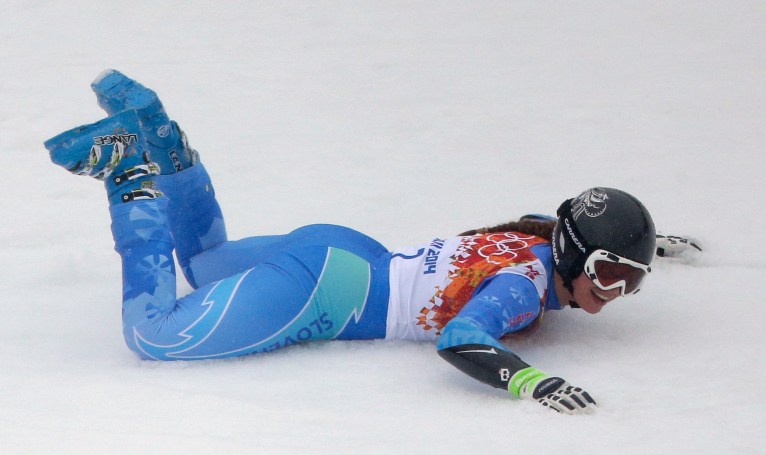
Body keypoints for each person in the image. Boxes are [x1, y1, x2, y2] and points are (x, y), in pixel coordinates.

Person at [44, 70, 698, 415]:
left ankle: (165, 141)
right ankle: (132, 174)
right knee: (154, 335)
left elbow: (544, 213)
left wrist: (646, 244)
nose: (614, 294)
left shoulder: (530, 235)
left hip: (345, 250)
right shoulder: (522, 288)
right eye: (612, 274)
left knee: (204, 263)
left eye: (632, 282)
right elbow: (460, 339)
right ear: (580, 253)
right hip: (328, 294)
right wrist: (532, 380)